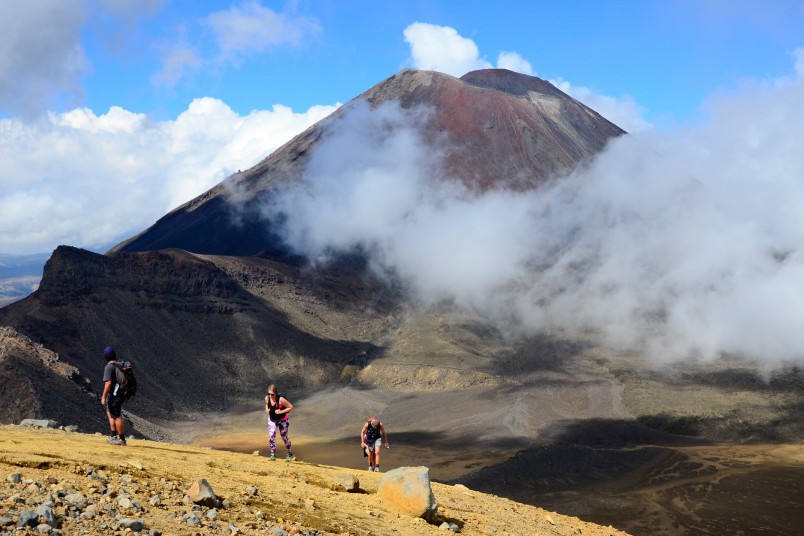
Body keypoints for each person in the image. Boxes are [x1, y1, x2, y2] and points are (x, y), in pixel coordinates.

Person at [101, 345, 127, 446]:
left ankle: (122, 439)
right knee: (110, 412)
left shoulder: (109, 367)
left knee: (116, 416)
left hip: (115, 395)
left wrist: (103, 396)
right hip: (120, 393)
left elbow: (108, 383)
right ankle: (113, 436)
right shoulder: (118, 365)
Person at [265, 384, 295, 461]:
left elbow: (290, 407)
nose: (270, 396)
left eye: (272, 394)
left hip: (283, 419)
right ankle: (272, 454)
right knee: (272, 435)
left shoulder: (281, 399)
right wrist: (268, 411)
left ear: (276, 393)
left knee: (284, 436)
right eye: (269, 394)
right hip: (272, 419)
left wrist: (281, 411)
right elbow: (267, 407)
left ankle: (290, 453)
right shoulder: (267, 398)